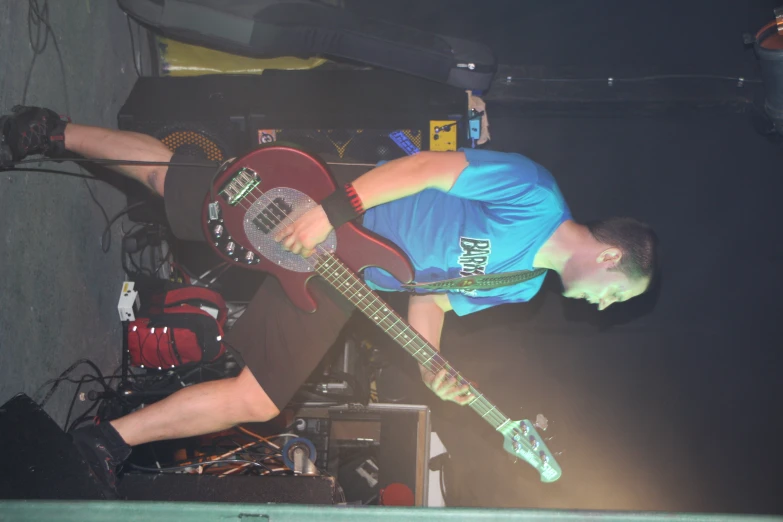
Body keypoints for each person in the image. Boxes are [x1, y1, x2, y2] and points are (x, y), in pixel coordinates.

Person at [1, 106, 658, 493]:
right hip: (337, 211)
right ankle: (49, 134)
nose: (604, 307)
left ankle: (104, 441)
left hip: (344, 283)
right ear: (608, 256)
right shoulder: (536, 196)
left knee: (260, 398)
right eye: (615, 293)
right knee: (172, 182)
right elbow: (430, 167)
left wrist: (430, 364)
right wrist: (330, 210)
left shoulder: (519, 285)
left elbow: (430, 301)